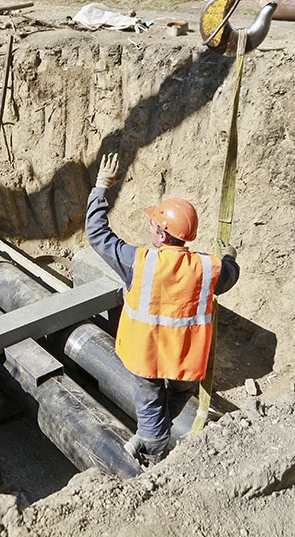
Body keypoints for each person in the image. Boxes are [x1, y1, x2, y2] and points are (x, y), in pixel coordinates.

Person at [86, 153, 240, 466]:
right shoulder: (207, 267)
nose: (151, 229)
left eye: (154, 225)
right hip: (185, 360)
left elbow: (98, 235)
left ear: (162, 233)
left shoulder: (138, 261)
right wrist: (230, 257)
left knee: (150, 408)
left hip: (146, 357)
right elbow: (229, 275)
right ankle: (152, 433)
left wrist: (101, 187)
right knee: (179, 394)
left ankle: (154, 455)